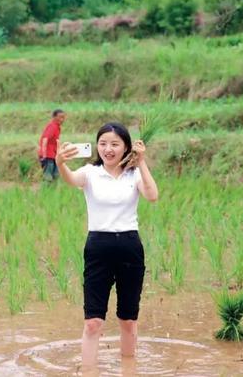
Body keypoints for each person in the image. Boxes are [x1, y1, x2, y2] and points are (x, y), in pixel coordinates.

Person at [55, 122, 159, 368]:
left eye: (114, 144)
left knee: (128, 320)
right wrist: (60, 163)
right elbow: (70, 179)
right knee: (93, 322)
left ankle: (129, 369)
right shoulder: (90, 173)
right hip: (98, 248)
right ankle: (89, 372)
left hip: (129, 247)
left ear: (126, 147)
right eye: (103, 143)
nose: (108, 149)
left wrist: (142, 162)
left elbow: (153, 195)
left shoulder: (134, 175)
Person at [38, 109, 66, 181]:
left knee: (56, 175)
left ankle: (53, 191)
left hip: (53, 155)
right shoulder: (52, 126)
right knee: (48, 176)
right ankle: (46, 190)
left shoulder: (57, 127)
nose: (62, 119)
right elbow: (45, 139)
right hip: (48, 155)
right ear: (54, 117)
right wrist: (44, 155)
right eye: (60, 117)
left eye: (63, 117)